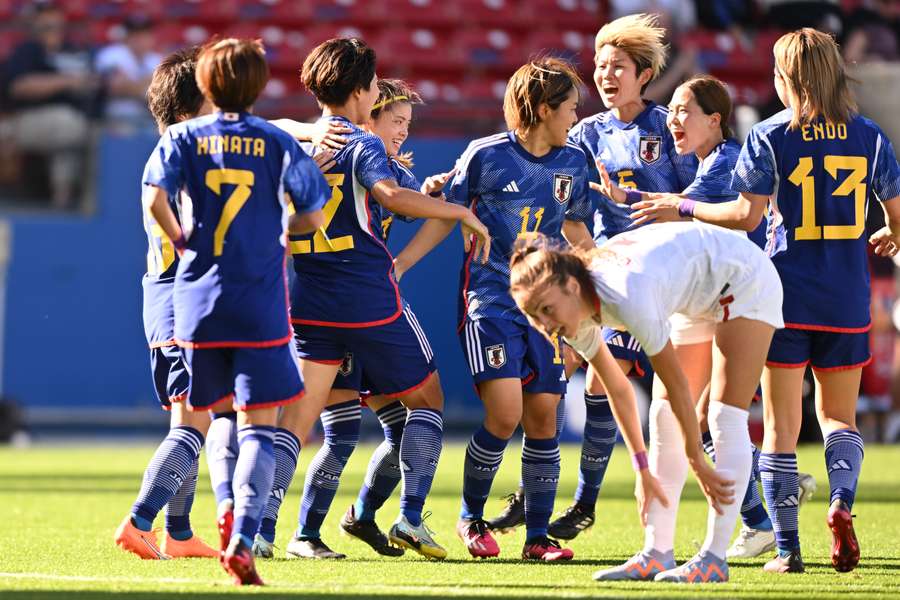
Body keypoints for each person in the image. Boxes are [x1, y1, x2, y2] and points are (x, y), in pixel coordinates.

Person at [631, 28, 900, 574]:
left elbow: (746, 217)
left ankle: (788, 551)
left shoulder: (771, 135)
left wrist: (681, 209)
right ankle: (843, 503)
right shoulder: (869, 136)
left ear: (785, 79)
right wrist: (890, 232)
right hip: (847, 295)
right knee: (838, 418)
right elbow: (898, 214)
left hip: (783, 293)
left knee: (779, 428)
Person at [268, 37, 490, 562]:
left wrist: (427, 190)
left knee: (302, 426)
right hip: (367, 298)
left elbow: (396, 195)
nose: (399, 128)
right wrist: (456, 211)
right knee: (427, 403)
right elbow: (390, 197)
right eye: (393, 115)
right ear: (365, 92)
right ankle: (410, 517)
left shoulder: (298, 142)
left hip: (308, 297)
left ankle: (266, 529)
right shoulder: (364, 144)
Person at [488, 12, 698, 542]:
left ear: (644, 74)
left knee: (685, 399)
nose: (606, 76)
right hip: (608, 275)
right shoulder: (582, 133)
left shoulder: (668, 127)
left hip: (671, 275)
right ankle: (565, 500)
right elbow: (526, 153)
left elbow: (699, 198)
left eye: (618, 67)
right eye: (601, 66)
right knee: (587, 385)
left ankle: (757, 506)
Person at [141, 38, 329, 585]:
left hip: (188, 302)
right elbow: (309, 211)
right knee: (244, 427)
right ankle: (226, 529)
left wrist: (186, 237)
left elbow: (158, 200)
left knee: (211, 419)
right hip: (238, 298)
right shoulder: (261, 142)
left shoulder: (179, 144)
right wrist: (282, 224)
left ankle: (199, 523)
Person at [393, 57, 595, 560]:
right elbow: (448, 214)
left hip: (546, 310)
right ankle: (471, 517)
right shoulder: (485, 155)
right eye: (570, 107)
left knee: (544, 417)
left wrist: (601, 281)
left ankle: (536, 538)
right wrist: (401, 264)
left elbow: (575, 230)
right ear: (544, 108)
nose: (575, 117)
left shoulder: (574, 163)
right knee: (505, 415)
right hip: (490, 300)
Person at [510, 221, 781, 583]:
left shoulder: (625, 295)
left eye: (546, 309)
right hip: (696, 294)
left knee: (722, 416)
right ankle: (657, 553)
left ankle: (714, 558)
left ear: (572, 287)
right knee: (662, 412)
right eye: (535, 317)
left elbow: (679, 384)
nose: (546, 325)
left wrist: (696, 459)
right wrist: (641, 468)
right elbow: (618, 389)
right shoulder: (575, 314)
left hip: (744, 277)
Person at [114, 46, 218, 562]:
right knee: (196, 418)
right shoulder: (178, 157)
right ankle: (139, 521)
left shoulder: (176, 154)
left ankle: (177, 532)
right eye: (211, 105)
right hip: (181, 295)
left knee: (189, 418)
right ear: (183, 116)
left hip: (172, 295)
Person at [1, 1, 99, 208]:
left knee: (71, 140)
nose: (51, 26)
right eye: (45, 22)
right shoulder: (28, 50)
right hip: (26, 119)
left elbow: (96, 82)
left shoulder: (74, 50)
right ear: (34, 24)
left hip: (74, 117)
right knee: (74, 125)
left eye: (54, 21)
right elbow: (20, 86)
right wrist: (69, 81)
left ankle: (63, 202)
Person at [94, 15, 162, 126]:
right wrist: (149, 82)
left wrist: (135, 86)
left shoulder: (156, 59)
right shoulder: (111, 54)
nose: (140, 39)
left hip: (150, 119)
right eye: (135, 34)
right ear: (126, 36)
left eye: (144, 34)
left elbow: (165, 95)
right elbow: (116, 87)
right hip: (115, 117)